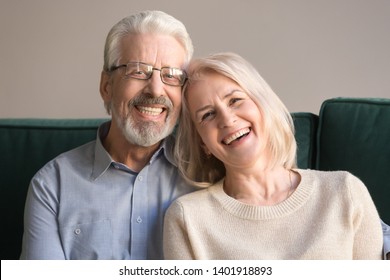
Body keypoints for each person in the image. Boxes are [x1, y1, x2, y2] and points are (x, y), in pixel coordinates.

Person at [163, 52, 384, 259]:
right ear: (203, 143)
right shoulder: (186, 218)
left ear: (263, 106)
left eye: (235, 100)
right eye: (208, 114)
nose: (227, 120)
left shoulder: (345, 191)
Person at [20, 10, 198, 260]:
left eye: (171, 76)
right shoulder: (52, 186)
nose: (156, 89)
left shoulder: (205, 173)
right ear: (107, 86)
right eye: (138, 71)